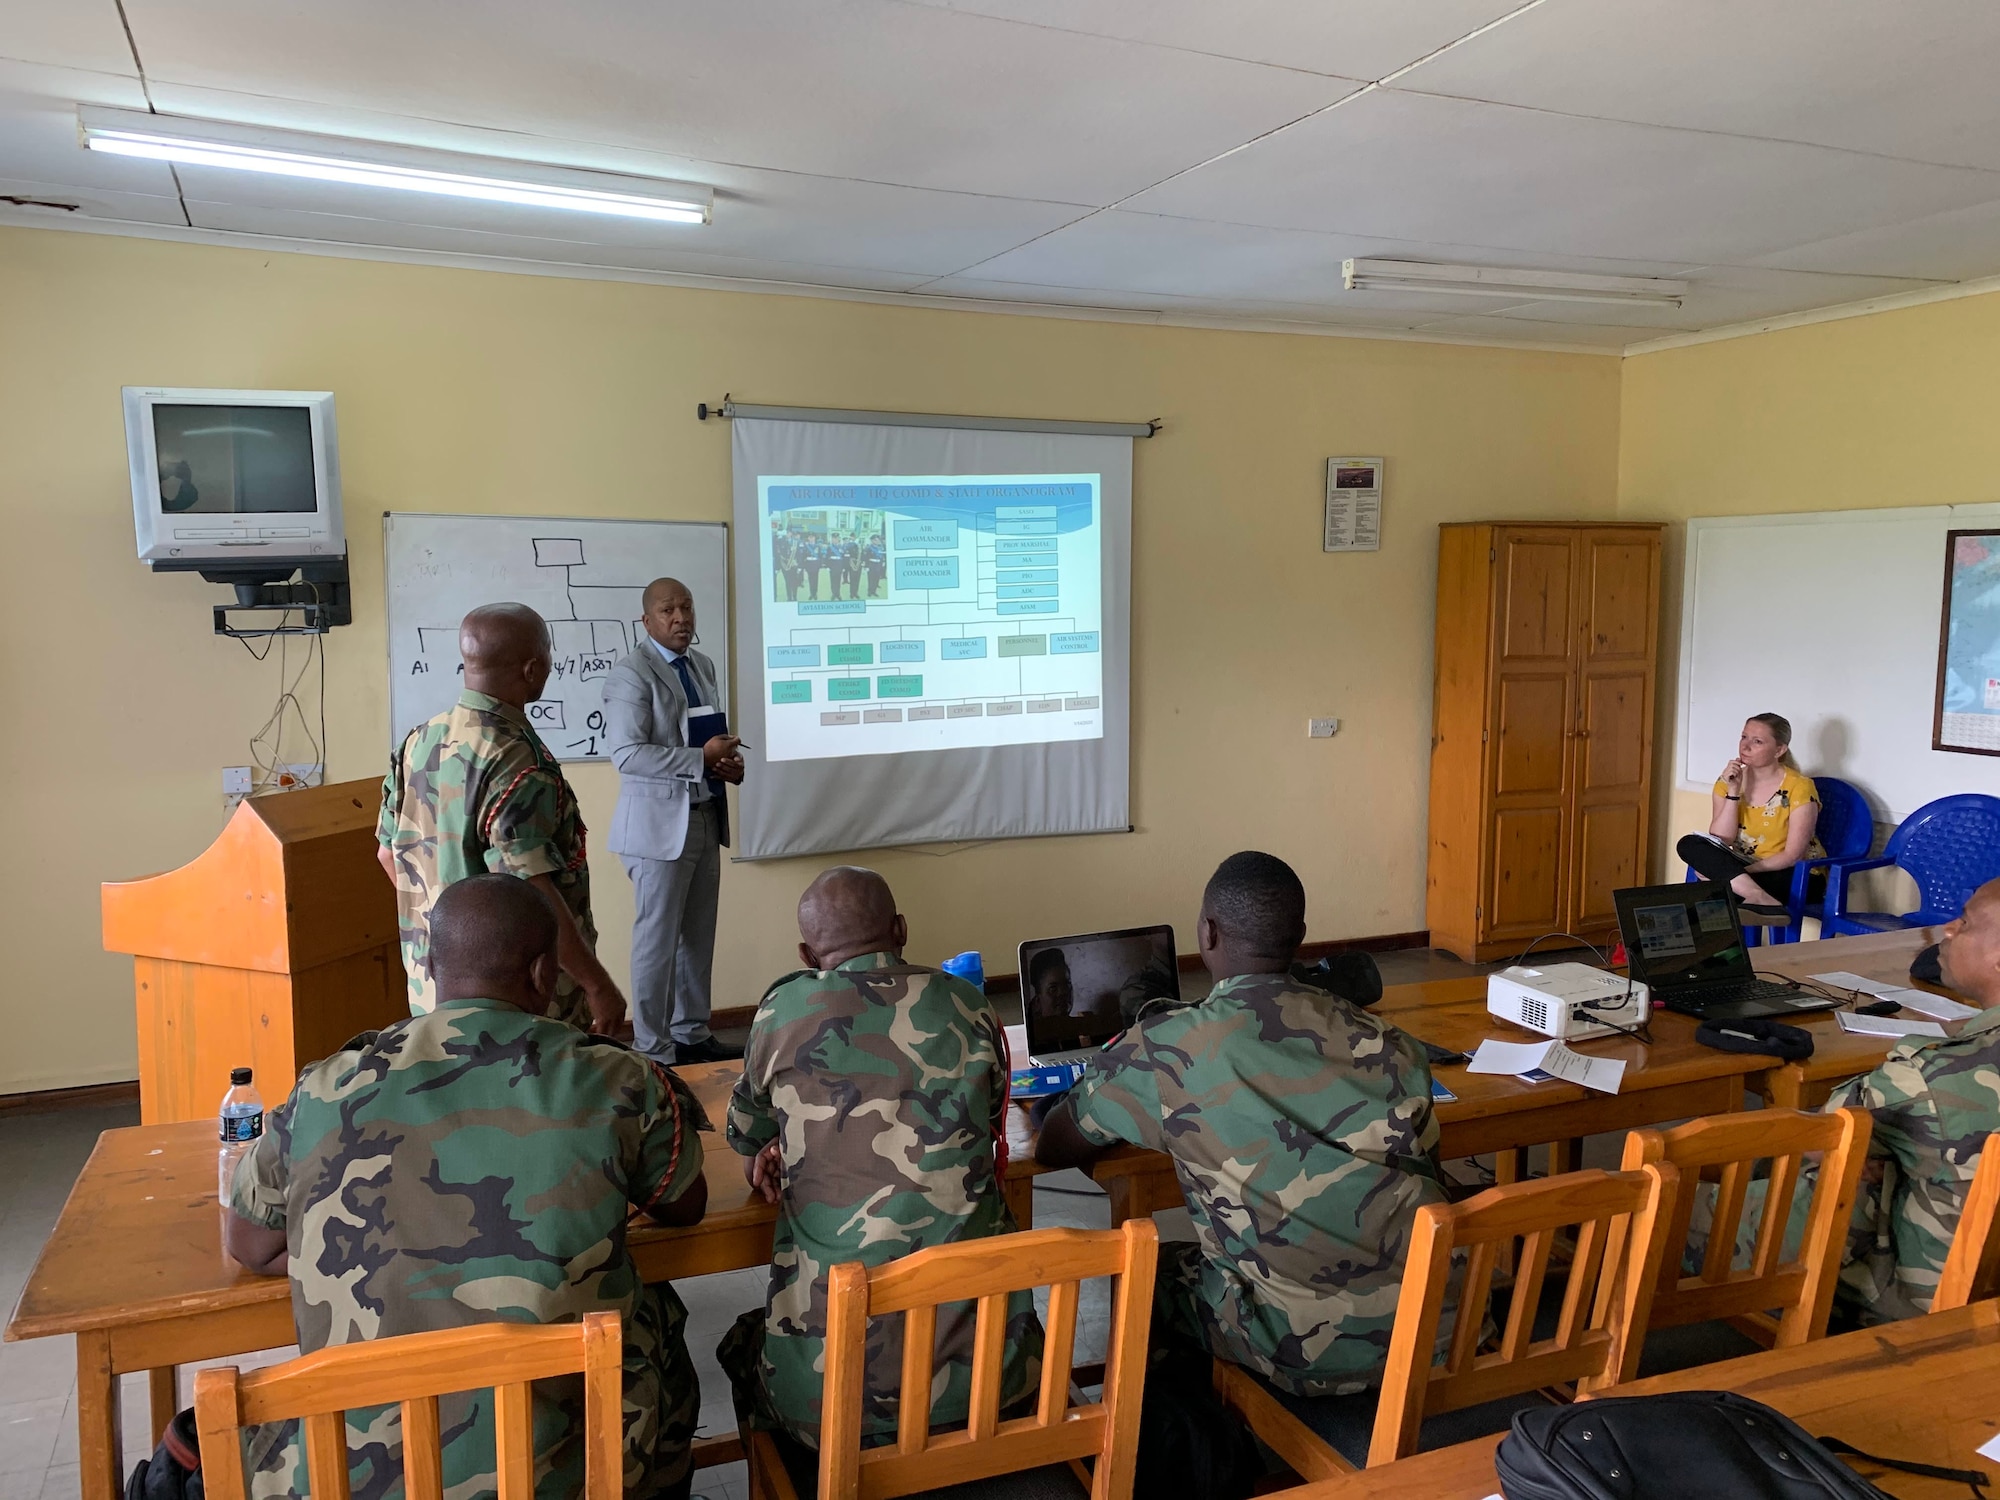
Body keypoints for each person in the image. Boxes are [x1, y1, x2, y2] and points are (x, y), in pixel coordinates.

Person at [224, 874, 710, 1499]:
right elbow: (684, 1204)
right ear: (543, 974)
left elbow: (250, 1244)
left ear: (430, 965)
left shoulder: (323, 1089)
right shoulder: (616, 1079)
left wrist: (374, 1248)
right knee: (658, 1317)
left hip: (355, 1478)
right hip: (561, 1477)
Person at [1036, 851, 1447, 1396]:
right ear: (1300, 935)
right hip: (1432, 1325)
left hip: (1300, 1349)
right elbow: (1431, 1176)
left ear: (1207, 933)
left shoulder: (1165, 1049)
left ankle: (1187, 1445)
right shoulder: (1393, 1045)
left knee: (1146, 1278)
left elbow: (1054, 1146)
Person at [718, 867, 1041, 1450]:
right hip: (995, 1382)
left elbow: (745, 1134)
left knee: (742, 1344)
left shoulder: (783, 1012)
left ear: (807, 953)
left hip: (834, 1403)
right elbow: (989, 1116)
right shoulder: (969, 1005)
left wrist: (772, 1146)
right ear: (901, 930)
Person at [378, 602, 626, 1031]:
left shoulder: (418, 741)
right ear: (532, 669)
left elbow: (388, 855)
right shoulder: (519, 762)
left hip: (434, 984)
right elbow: (532, 887)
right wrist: (597, 984)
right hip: (514, 1001)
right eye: (548, 657)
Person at [602, 578, 744, 1066]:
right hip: (656, 830)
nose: (681, 617)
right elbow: (626, 754)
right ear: (647, 620)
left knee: (698, 937)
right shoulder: (630, 675)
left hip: (704, 815)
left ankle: (691, 1033)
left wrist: (726, 765)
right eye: (668, 610)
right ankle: (653, 1049)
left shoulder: (701, 666)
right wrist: (697, 759)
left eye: (687, 607)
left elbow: (708, 738)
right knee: (657, 944)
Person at [1677, 712, 1822, 912]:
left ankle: (1749, 895)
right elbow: (1722, 839)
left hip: (1794, 874)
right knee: (1688, 844)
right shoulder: (1727, 781)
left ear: (1779, 750)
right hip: (1745, 871)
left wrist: (1737, 873)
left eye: (1757, 741)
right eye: (1743, 737)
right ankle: (1756, 896)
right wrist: (1734, 792)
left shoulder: (1800, 787)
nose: (1745, 746)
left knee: (1715, 892)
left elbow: (1792, 856)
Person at [1025, 945, 1074, 1024]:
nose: (1063, 992)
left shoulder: (1080, 1027)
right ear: (1037, 1001)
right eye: (1053, 988)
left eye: (1067, 984)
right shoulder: (1037, 1032)